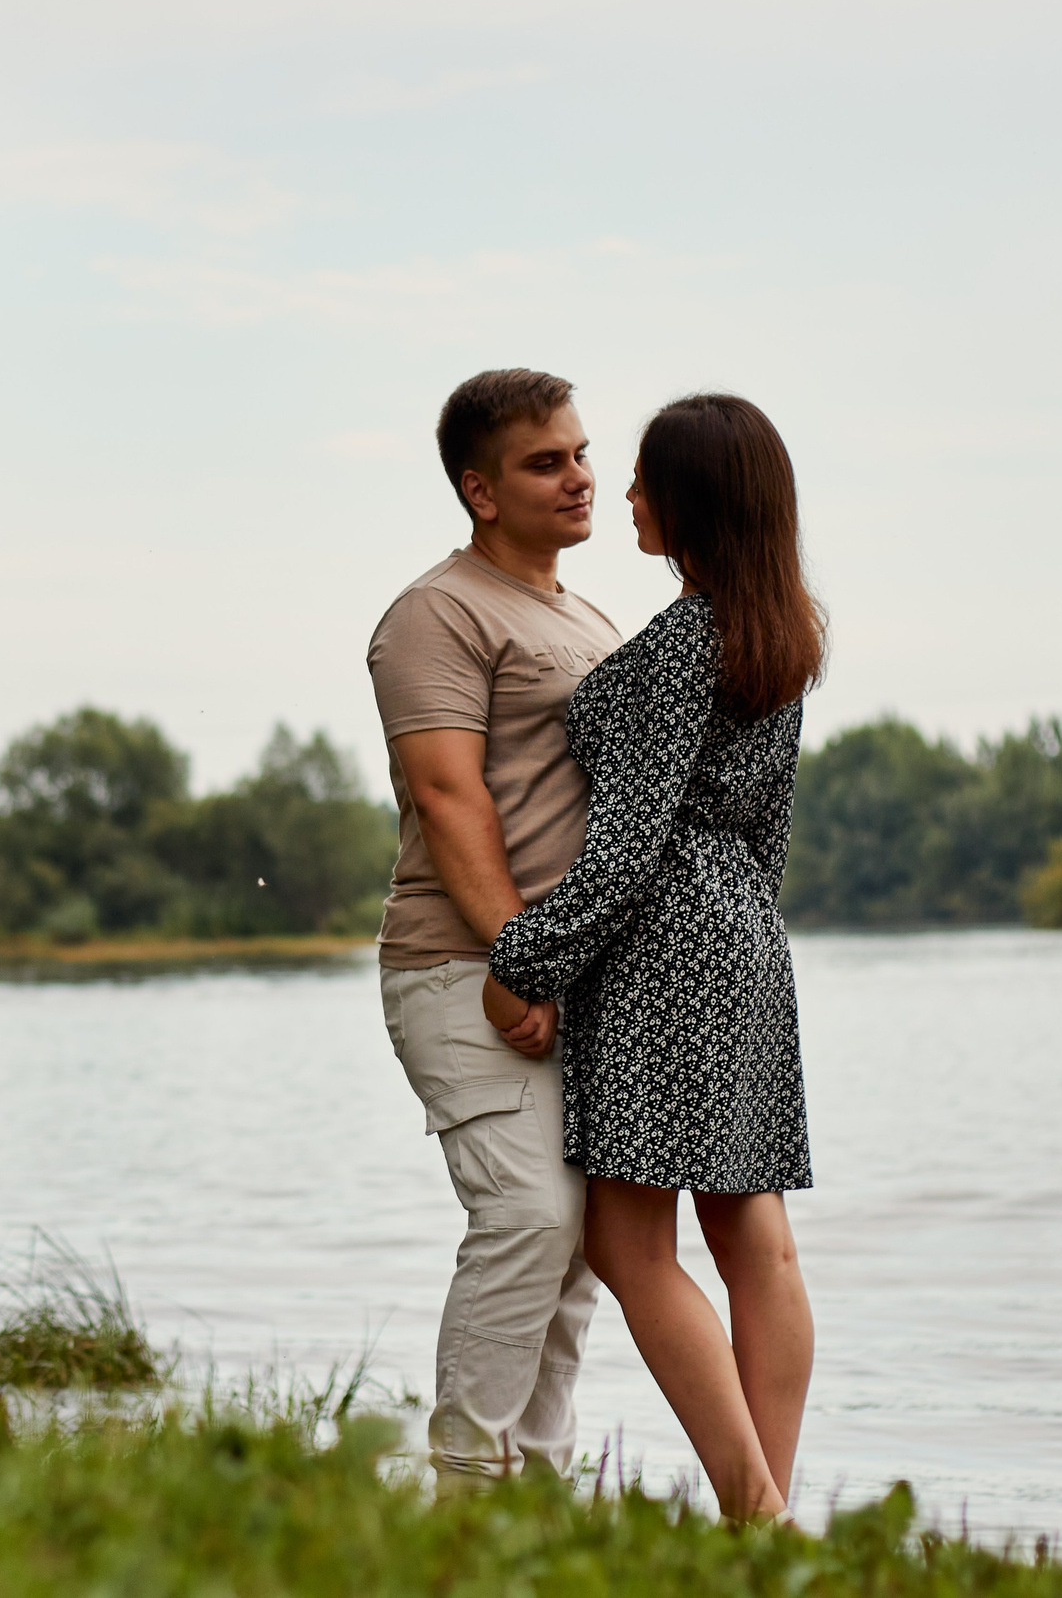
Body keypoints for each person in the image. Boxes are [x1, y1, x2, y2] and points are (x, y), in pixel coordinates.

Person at [481, 392, 825, 1526]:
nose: (622, 493)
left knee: (628, 1243)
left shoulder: (681, 646)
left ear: (693, 498)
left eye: (641, 478)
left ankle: (755, 1513)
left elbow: (626, 853)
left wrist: (524, 957)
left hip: (662, 943)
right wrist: (742, 943)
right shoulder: (780, 633)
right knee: (754, 1237)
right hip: (747, 935)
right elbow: (767, 828)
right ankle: (764, 1523)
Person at [366, 368, 623, 1491]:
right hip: (466, 965)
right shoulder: (437, 614)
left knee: (579, 1253)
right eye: (544, 462)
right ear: (481, 490)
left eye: (579, 453)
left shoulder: (588, 618)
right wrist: (524, 958)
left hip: (569, 976)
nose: (578, 477)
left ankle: (540, 1499)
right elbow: (447, 795)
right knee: (527, 1218)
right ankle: (467, 1492)